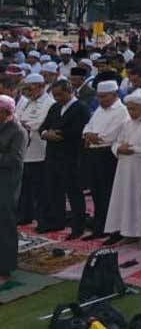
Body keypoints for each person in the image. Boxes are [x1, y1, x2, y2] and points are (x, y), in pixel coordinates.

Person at [104, 90, 141, 246]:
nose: (130, 112)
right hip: (125, 169)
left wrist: (132, 149)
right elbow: (116, 143)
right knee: (126, 201)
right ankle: (129, 233)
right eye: (128, 109)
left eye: (133, 109)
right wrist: (118, 149)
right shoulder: (127, 123)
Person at [38, 79, 89, 237]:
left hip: (71, 157)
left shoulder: (80, 108)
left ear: (69, 91)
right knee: (54, 190)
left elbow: (80, 131)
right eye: (55, 95)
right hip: (53, 156)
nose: (57, 98)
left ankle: (78, 227)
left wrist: (59, 135)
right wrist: (46, 134)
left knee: (74, 193)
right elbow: (43, 126)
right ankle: (56, 221)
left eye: (60, 95)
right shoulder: (55, 107)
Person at [80, 80, 128, 240]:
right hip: (93, 154)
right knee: (96, 193)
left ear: (114, 95)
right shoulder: (100, 110)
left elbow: (110, 135)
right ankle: (99, 227)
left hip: (108, 156)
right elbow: (87, 127)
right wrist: (88, 135)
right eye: (99, 97)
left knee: (109, 193)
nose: (100, 100)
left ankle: (115, 230)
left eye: (104, 96)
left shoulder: (122, 111)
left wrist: (94, 136)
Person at [15, 73, 54, 227]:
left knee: (39, 188)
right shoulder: (26, 102)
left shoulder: (48, 103)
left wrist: (22, 124)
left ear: (40, 86)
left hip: (39, 151)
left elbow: (38, 123)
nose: (27, 92)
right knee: (24, 187)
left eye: (29, 88)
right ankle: (25, 215)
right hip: (23, 150)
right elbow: (16, 118)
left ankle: (42, 218)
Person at [0, 95, 26, 287]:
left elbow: (15, 161)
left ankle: (6, 268)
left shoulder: (18, 131)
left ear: (6, 112)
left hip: (7, 184)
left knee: (6, 225)